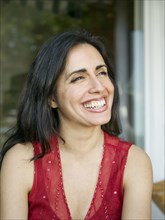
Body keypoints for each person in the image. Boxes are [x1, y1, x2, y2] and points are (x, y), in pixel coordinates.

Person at [0, 30, 153, 220]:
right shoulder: (21, 161)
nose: (98, 87)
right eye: (79, 78)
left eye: (102, 73)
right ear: (51, 97)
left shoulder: (134, 162)